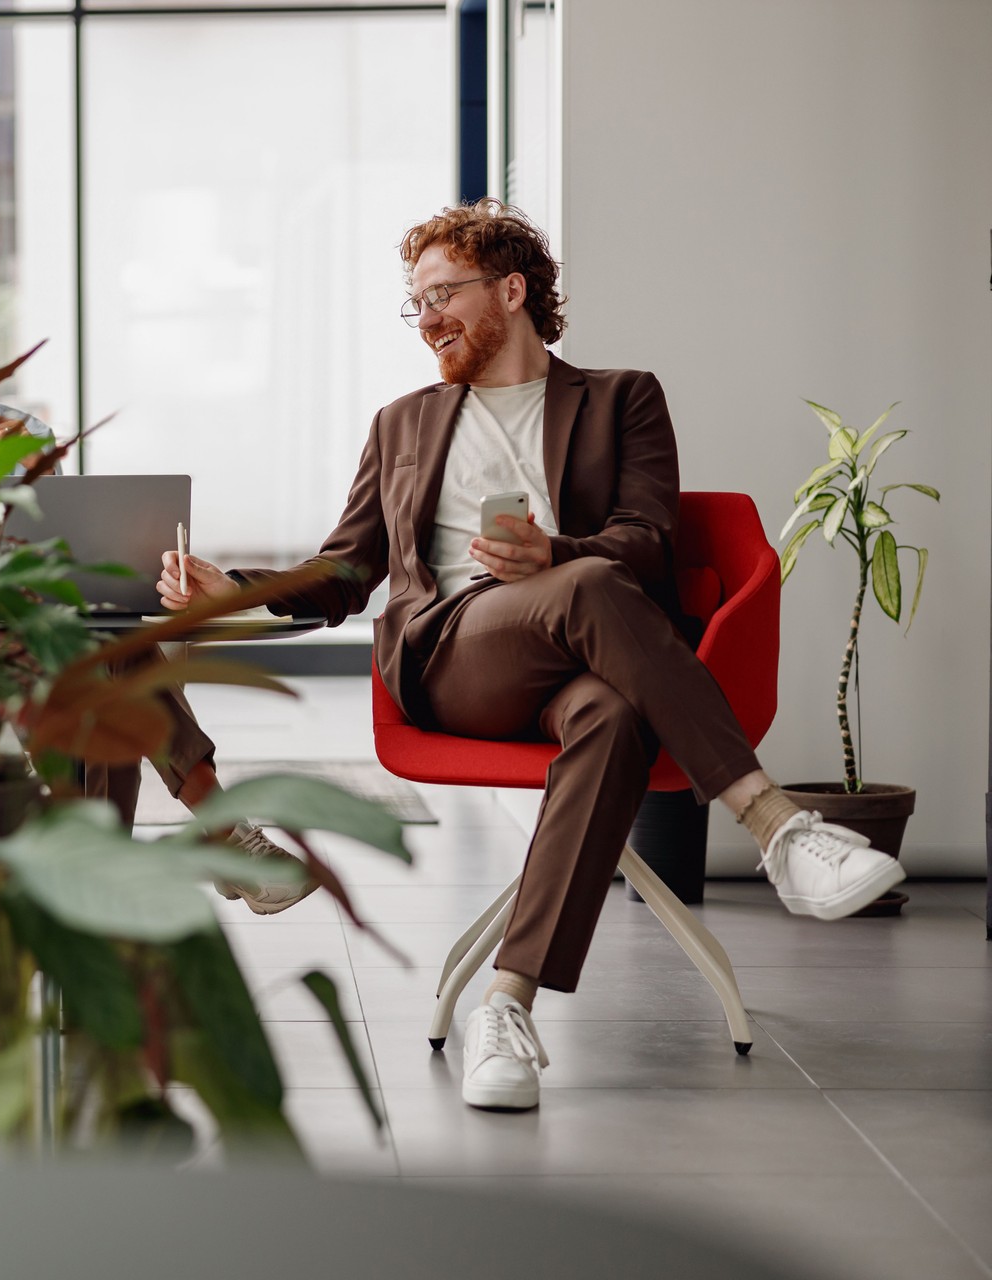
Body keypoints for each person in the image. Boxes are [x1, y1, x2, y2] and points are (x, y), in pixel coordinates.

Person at [157, 199, 905, 1111]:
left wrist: (555, 555)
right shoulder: (403, 423)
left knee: (614, 712)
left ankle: (505, 1007)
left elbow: (647, 542)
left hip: (584, 656)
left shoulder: (622, 396)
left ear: (511, 291)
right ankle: (776, 826)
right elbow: (347, 569)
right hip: (453, 661)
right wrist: (229, 589)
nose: (425, 317)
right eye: (415, 301)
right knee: (589, 591)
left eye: (444, 294)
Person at [0, 239, 315, 914]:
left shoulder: (18, 426)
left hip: (16, 619)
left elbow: (65, 551)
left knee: (99, 646)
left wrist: (19, 484)